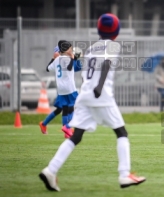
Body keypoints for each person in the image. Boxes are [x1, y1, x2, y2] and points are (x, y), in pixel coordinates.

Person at [38, 13, 146, 192]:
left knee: (76, 136)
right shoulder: (113, 45)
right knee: (121, 132)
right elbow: (106, 65)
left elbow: (86, 69)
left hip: (84, 95)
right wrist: (100, 86)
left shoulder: (91, 48)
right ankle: (124, 174)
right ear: (117, 32)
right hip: (100, 94)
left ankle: (50, 170)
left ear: (98, 30)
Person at [39, 46, 81, 136]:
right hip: (67, 88)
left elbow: (48, 68)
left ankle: (45, 124)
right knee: (68, 108)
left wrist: (53, 58)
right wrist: (76, 57)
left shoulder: (58, 60)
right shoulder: (64, 60)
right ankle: (66, 129)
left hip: (61, 89)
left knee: (63, 109)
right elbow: (77, 67)